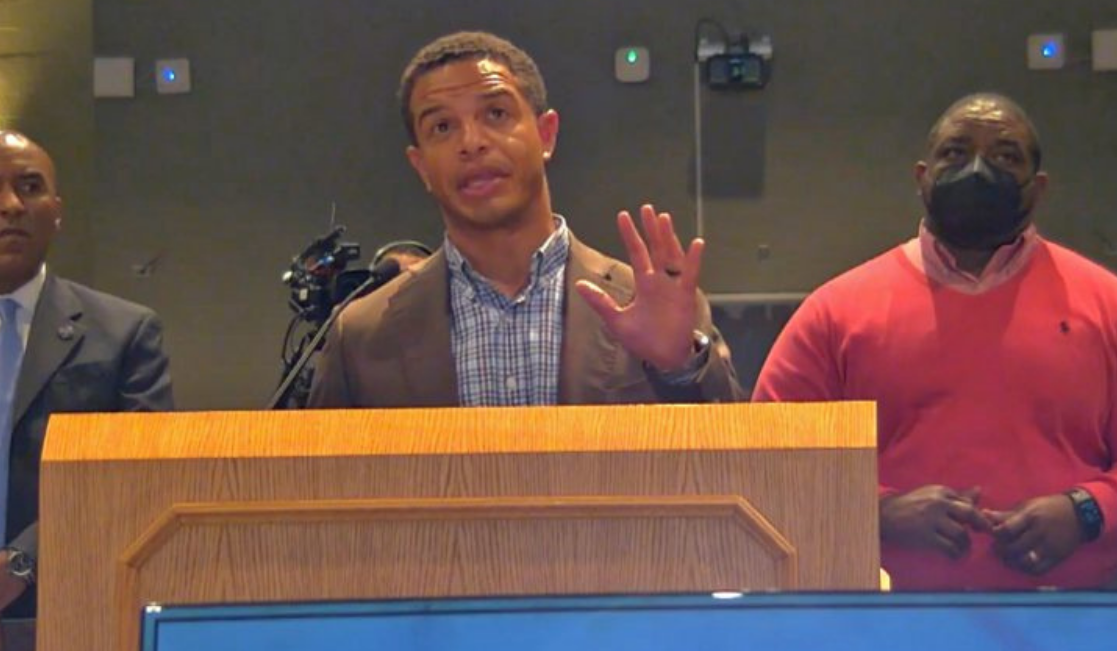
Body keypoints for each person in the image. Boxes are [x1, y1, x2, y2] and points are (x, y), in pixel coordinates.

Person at [754, 93, 1116, 589]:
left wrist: (1087, 511)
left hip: (1078, 615)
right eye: (955, 152)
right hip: (884, 616)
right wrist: (879, 511)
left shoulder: (1106, 303)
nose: (977, 170)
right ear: (922, 177)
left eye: (1006, 156)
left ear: (1039, 188)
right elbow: (768, 463)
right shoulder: (836, 311)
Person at [308, 31, 740, 408]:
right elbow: (323, 493)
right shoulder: (361, 336)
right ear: (420, 166)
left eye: (496, 114)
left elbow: (736, 461)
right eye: (442, 127)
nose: (471, 143)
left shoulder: (651, 304)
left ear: (546, 135)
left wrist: (679, 367)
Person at [0, 130, 174, 647]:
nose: (10, 205)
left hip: (70, 612)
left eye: (29, 187)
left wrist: (15, 569)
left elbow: (141, 480)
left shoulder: (125, 333)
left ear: (56, 212)